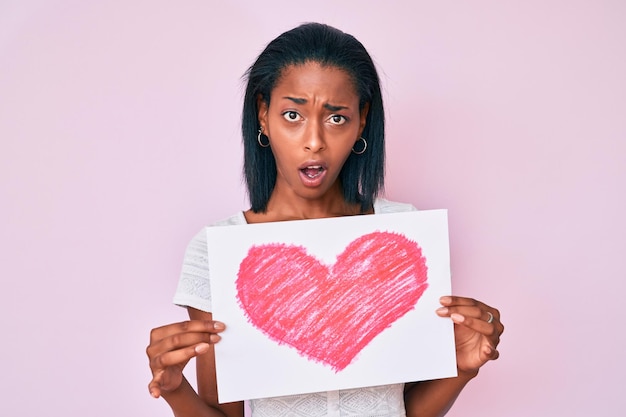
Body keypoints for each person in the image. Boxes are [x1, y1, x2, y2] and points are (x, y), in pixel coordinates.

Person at [146, 22, 504, 417]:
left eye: (336, 118)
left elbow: (406, 410)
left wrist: (462, 369)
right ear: (263, 114)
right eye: (292, 115)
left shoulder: (404, 237)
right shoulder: (217, 249)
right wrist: (176, 391)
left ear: (362, 120)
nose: (314, 140)